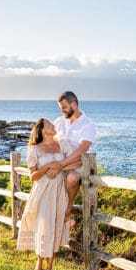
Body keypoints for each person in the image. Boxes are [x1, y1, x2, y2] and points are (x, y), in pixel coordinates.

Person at [17, 118, 81, 270]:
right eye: (49, 123)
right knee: (43, 226)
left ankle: (50, 267)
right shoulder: (34, 149)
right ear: (42, 130)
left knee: (56, 224)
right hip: (43, 190)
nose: (53, 124)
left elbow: (77, 162)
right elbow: (33, 176)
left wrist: (59, 168)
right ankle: (39, 264)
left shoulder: (62, 143)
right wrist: (46, 167)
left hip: (59, 190)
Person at [47, 91, 96, 223]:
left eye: (64, 107)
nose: (62, 110)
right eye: (60, 108)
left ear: (73, 104)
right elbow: (50, 141)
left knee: (73, 178)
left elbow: (81, 151)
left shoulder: (88, 124)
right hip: (59, 161)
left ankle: (68, 208)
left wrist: (61, 165)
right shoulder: (59, 121)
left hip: (77, 163)